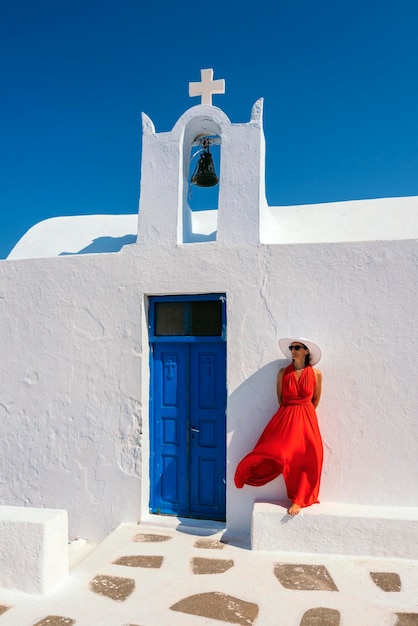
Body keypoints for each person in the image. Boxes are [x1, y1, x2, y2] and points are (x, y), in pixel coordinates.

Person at [234, 337, 323, 516]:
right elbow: (280, 398)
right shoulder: (283, 373)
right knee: (278, 452)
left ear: (306, 352)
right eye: (291, 347)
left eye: (297, 347)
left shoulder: (316, 374)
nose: (293, 350)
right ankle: (247, 473)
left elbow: (315, 399)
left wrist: (303, 412)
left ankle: (299, 498)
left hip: (306, 418)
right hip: (286, 416)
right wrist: (292, 411)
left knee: (309, 457)